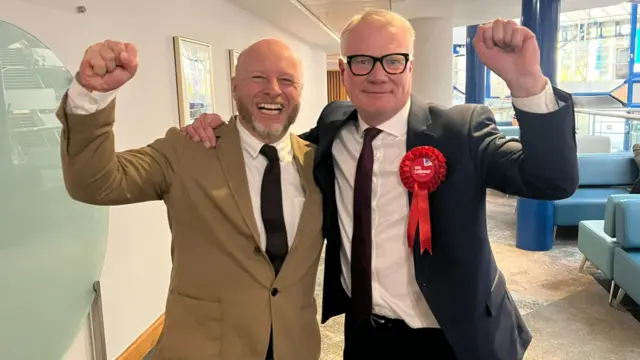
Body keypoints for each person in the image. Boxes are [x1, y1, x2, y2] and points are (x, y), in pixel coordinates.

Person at [184, 11, 579, 360]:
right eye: (361, 61)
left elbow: (551, 180)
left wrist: (527, 82)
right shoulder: (332, 126)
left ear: (410, 67)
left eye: (392, 60)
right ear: (344, 70)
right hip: (366, 336)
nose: (377, 74)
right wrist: (221, 131)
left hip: (457, 337)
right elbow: (273, 145)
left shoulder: (462, 130)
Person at [56, 38, 324, 360]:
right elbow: (94, 182)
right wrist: (91, 97)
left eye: (286, 80)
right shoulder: (186, 150)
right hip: (204, 349)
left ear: (300, 91)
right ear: (235, 86)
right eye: (258, 78)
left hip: (295, 347)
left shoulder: (318, 165)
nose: (273, 90)